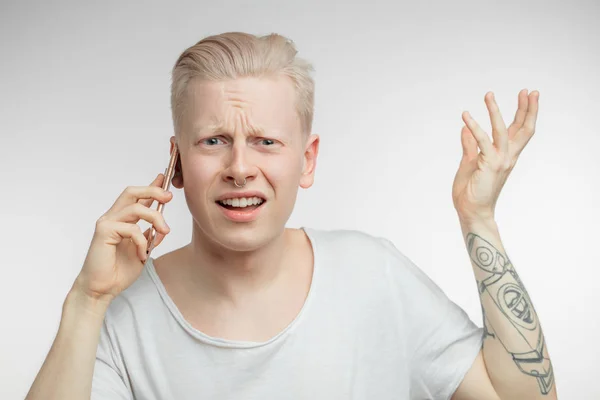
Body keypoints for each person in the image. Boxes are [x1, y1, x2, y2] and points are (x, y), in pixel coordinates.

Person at [25, 32, 556, 400]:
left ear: (307, 160)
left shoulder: (374, 275)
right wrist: (86, 300)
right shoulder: (121, 318)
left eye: (265, 142)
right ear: (177, 162)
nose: (240, 167)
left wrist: (478, 216)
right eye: (214, 140)